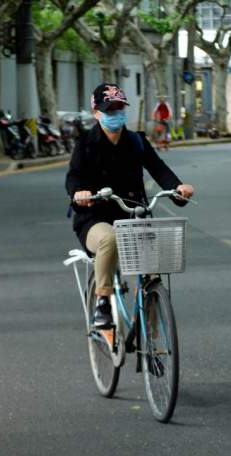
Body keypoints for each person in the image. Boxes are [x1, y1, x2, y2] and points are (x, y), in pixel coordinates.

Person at [66, 82, 194, 329]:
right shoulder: (86, 143)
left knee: (154, 271)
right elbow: (73, 176)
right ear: (96, 113)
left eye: (119, 108)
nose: (116, 114)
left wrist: (178, 188)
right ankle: (103, 302)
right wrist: (78, 193)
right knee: (109, 239)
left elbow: (158, 169)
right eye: (109, 110)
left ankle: (152, 338)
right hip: (94, 218)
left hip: (133, 216)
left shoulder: (136, 141)